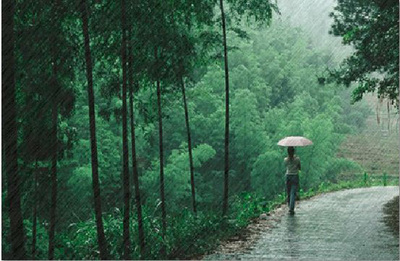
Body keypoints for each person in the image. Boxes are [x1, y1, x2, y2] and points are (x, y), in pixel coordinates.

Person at [284, 146, 301, 215]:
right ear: (294, 151)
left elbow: (286, 166)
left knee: (288, 192)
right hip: (295, 176)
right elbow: (299, 168)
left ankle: (289, 206)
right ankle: (291, 208)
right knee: (293, 193)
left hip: (288, 176)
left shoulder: (285, 159)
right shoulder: (297, 159)